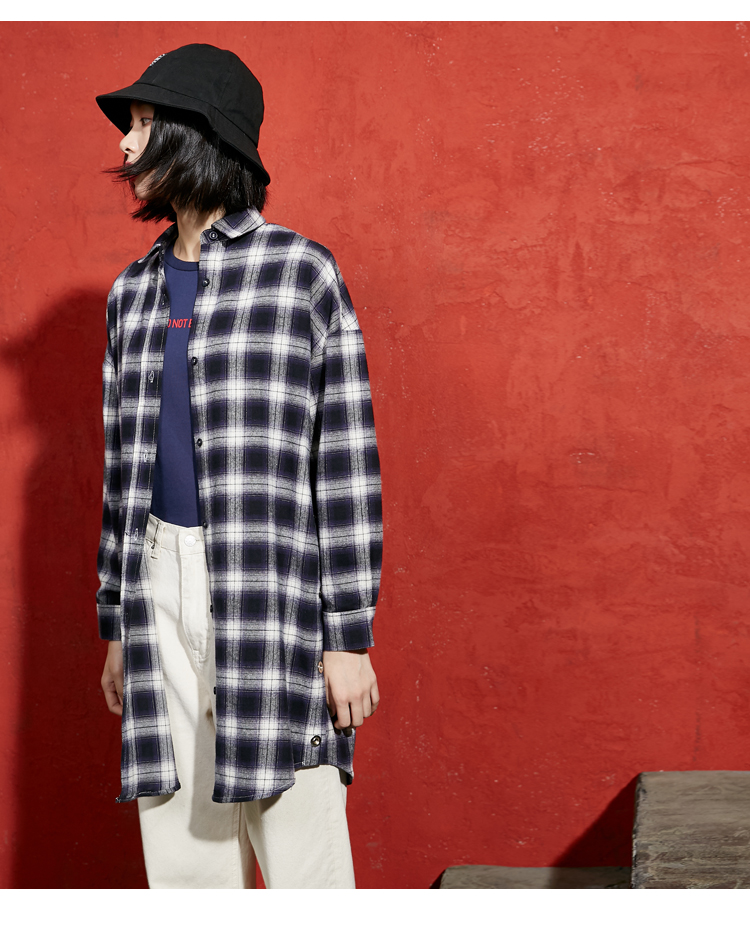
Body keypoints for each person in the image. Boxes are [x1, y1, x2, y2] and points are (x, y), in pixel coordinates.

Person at [94, 44, 383, 890]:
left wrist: (349, 636)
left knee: (303, 857)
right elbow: (123, 467)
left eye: (144, 122)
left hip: (270, 586)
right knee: (184, 861)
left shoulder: (301, 275)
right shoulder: (132, 293)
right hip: (157, 584)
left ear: (199, 132)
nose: (125, 143)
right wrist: (118, 620)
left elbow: (346, 460)